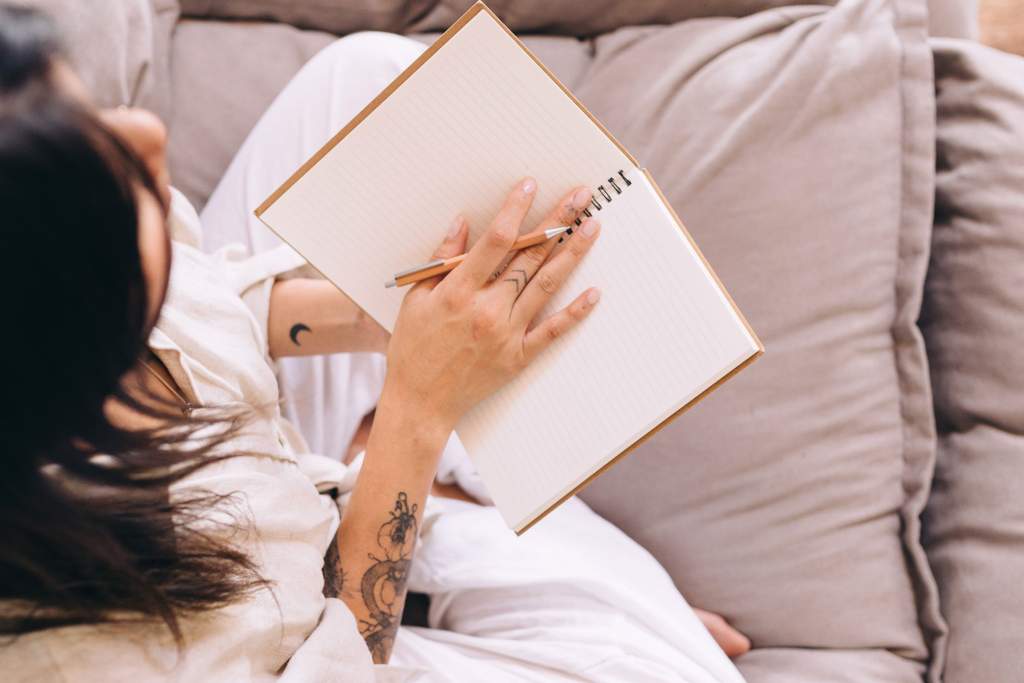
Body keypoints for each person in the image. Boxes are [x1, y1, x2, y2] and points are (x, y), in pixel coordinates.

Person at [0, 6, 749, 682]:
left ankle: (432, 476)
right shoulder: (102, 649)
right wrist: (417, 409)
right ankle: (449, 506)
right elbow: (337, 664)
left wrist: (377, 313)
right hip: (318, 614)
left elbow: (205, 295)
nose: (147, 134)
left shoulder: (51, 319)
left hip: (278, 466)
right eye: (97, 162)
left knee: (366, 81)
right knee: (671, 665)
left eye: (85, 110)